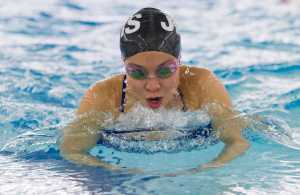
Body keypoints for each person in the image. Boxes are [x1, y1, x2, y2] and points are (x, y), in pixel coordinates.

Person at [60, 7, 249, 174]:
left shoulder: (202, 85)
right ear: (124, 66)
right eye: (137, 72)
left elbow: (238, 141)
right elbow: (72, 151)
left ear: (180, 62)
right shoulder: (103, 97)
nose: (152, 86)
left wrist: (203, 171)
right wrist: (119, 173)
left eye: (165, 70)